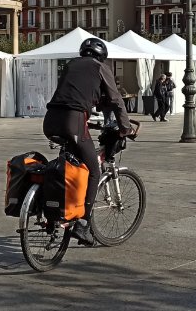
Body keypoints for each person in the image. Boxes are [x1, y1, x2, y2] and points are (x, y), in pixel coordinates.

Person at [43, 38, 130, 246]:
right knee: (94, 170)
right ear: (101, 56)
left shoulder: (72, 64)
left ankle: (55, 207)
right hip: (73, 121)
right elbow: (116, 100)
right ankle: (83, 224)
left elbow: (76, 94)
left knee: (69, 163)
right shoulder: (100, 67)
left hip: (50, 120)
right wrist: (125, 128)